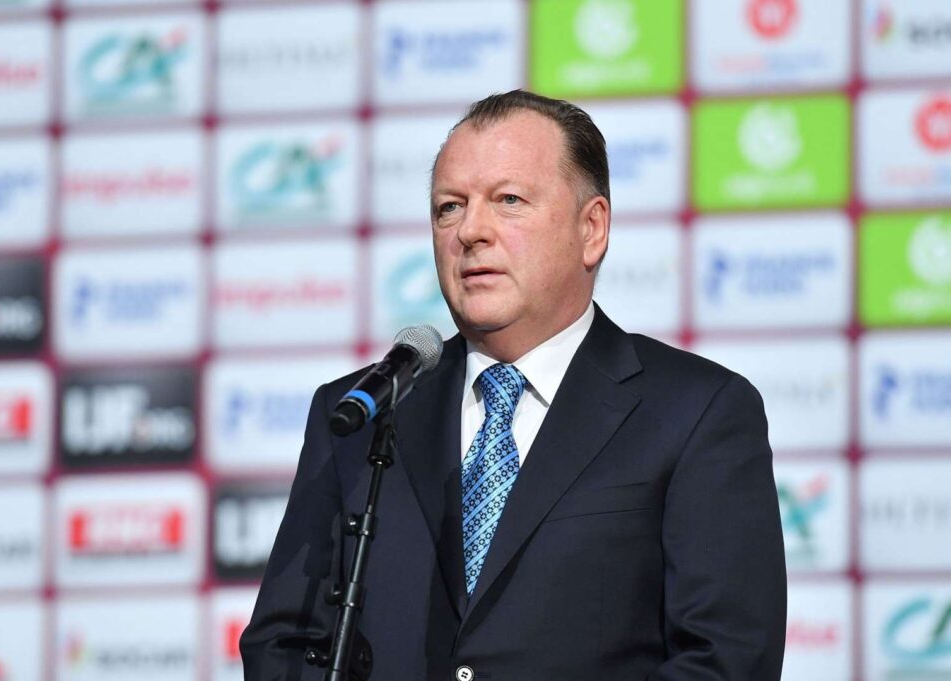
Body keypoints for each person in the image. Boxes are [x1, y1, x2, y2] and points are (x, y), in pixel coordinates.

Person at [240, 90, 787, 681]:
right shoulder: (363, 412)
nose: (471, 231)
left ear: (592, 228)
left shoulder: (697, 413)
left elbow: (724, 660)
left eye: (508, 200)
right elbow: (283, 644)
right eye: (449, 207)